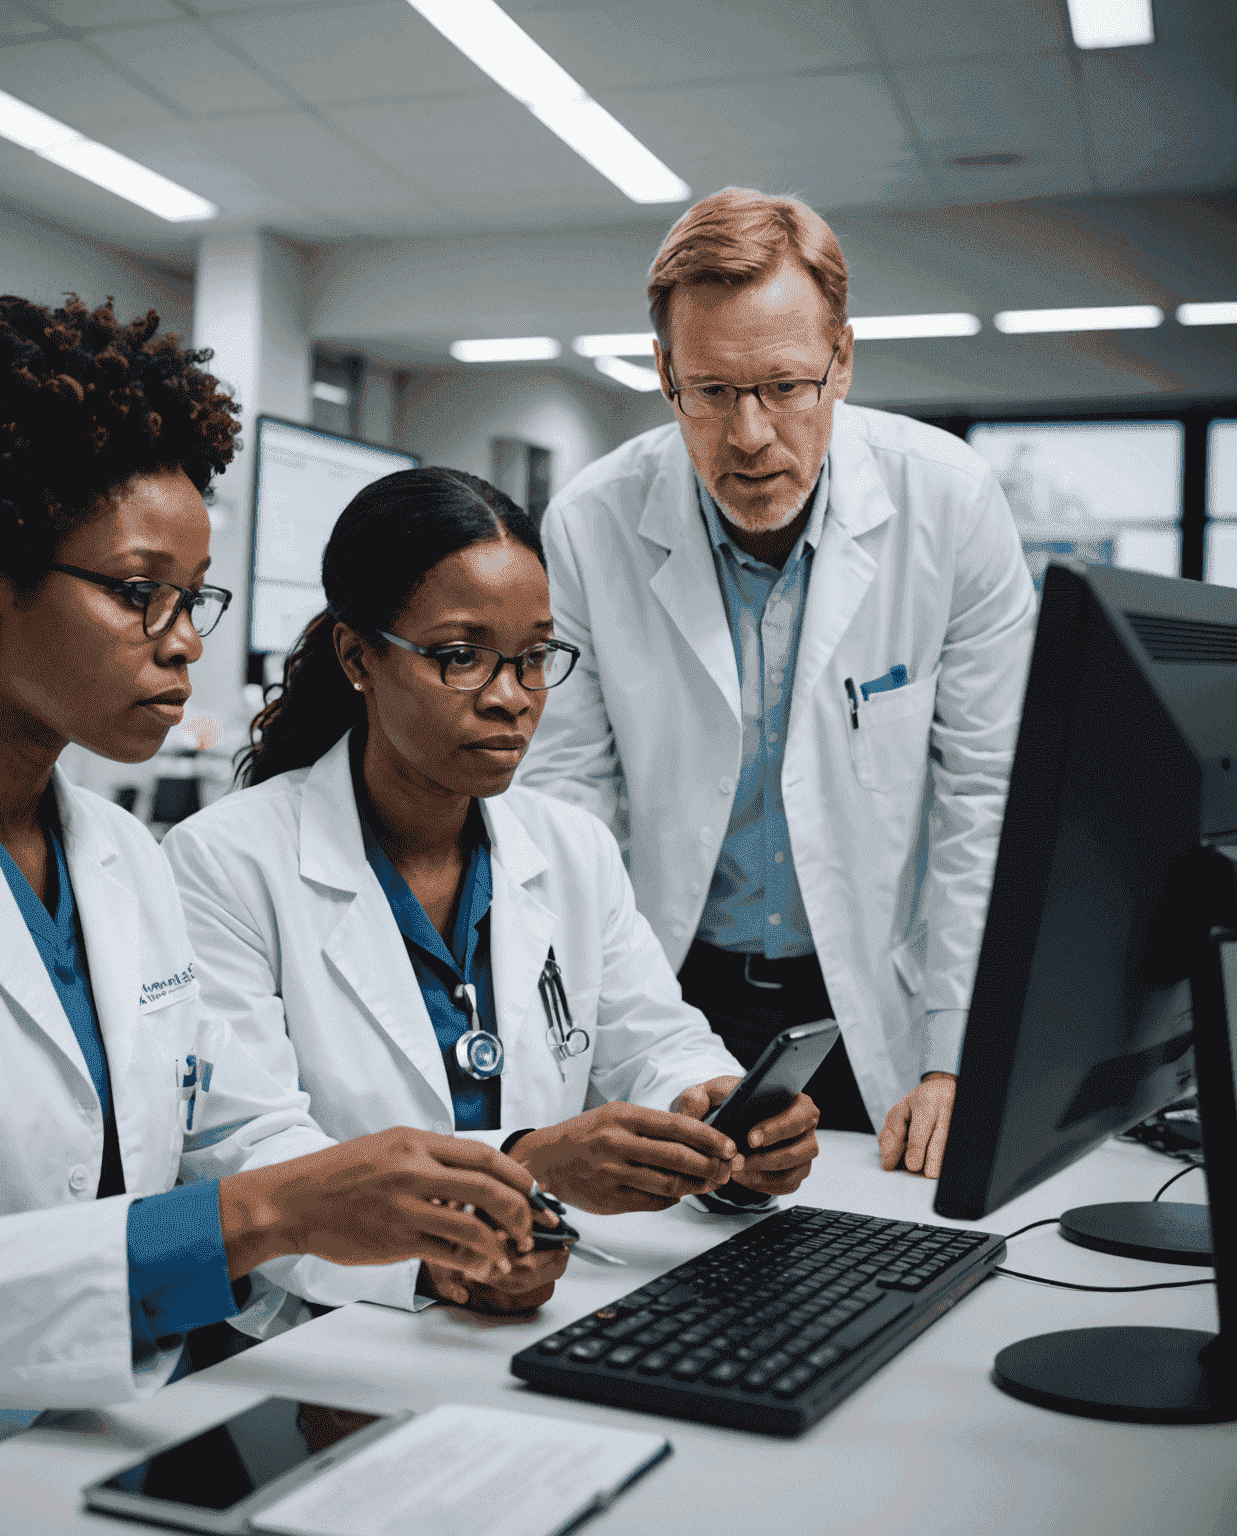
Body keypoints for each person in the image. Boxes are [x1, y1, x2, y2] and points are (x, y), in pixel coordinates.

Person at [0, 299, 544, 1536]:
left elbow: (220, 1137)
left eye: (194, 599)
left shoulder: (123, 858)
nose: (185, 647)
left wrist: (423, 1239)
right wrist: (259, 1216)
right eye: (141, 595)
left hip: (106, 1449)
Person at [164, 467, 821, 1319]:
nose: (512, 698)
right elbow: (251, 1154)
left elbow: (655, 1042)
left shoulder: (571, 848)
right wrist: (526, 1167)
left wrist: (713, 1118)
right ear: (359, 656)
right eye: (462, 656)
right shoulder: (225, 862)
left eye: (536, 657)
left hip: (538, 1305)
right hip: (330, 1335)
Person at [517, 187, 1036, 1179]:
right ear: (665, 374)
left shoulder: (951, 504)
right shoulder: (591, 524)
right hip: (671, 982)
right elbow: (568, 806)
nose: (748, 435)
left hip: (876, 994)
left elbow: (986, 801)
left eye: (785, 386)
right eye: (710, 391)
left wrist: (956, 1053)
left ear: (842, 360)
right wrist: (609, 1027)